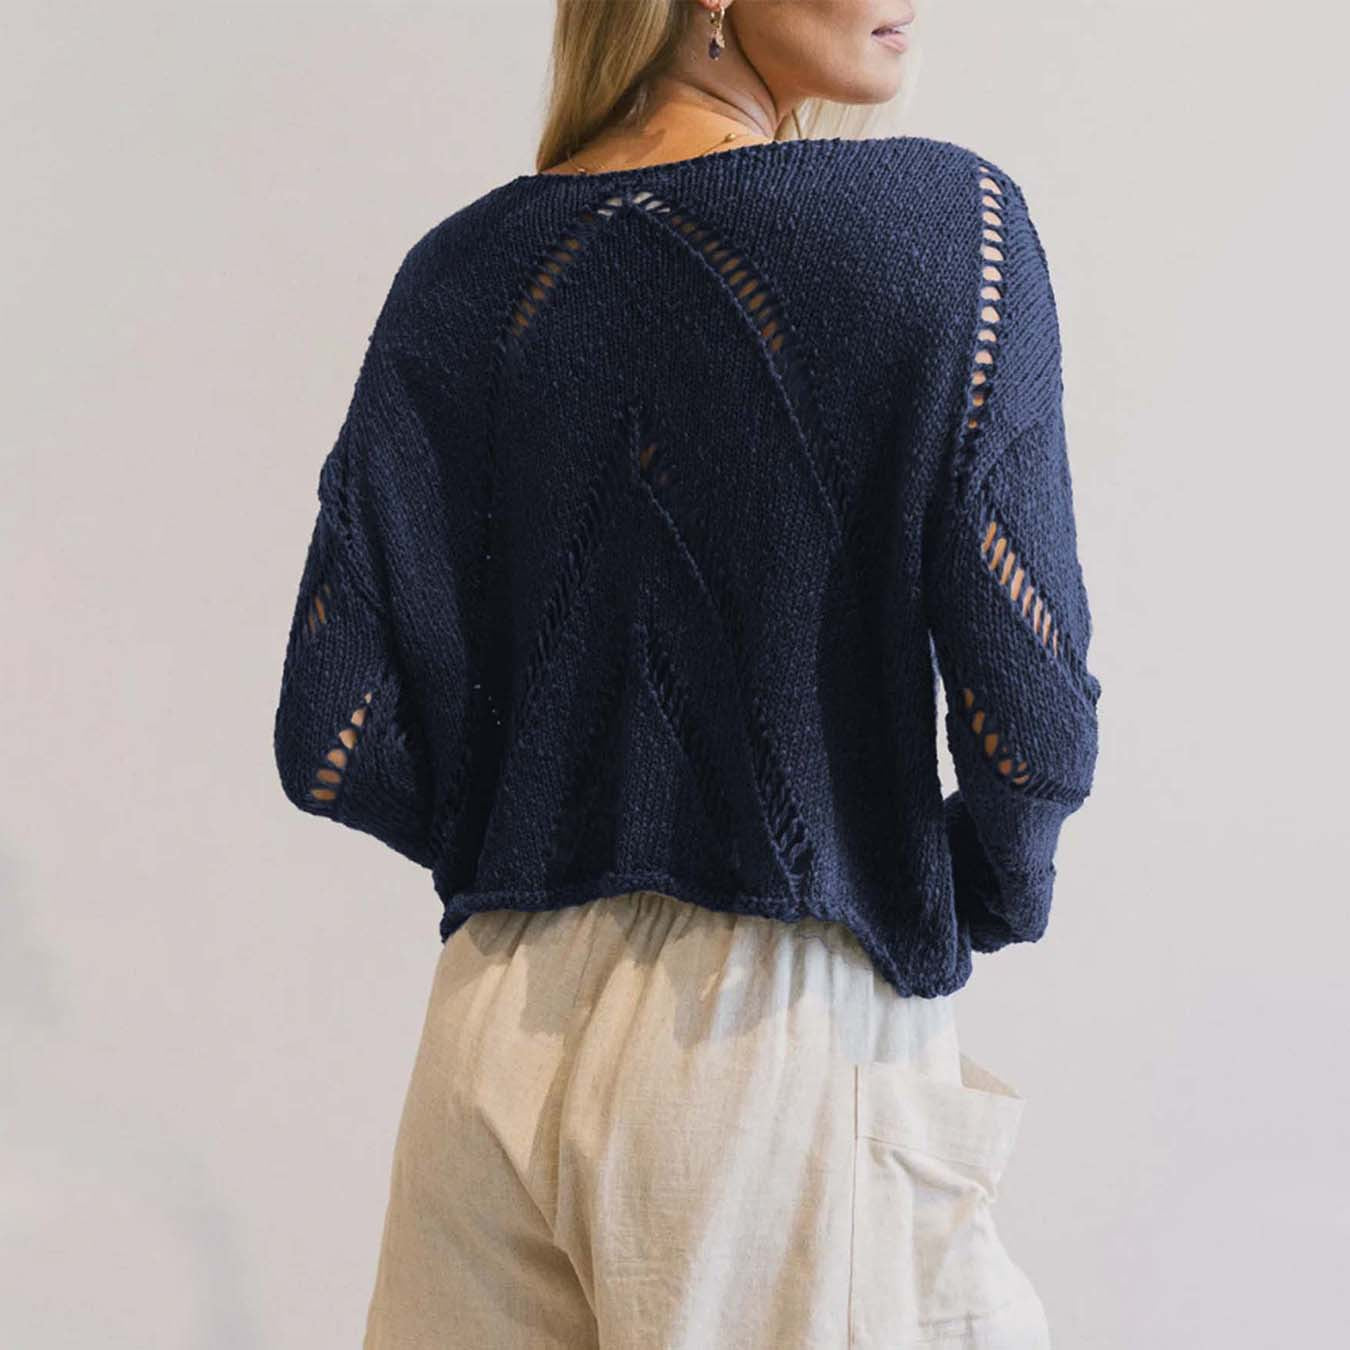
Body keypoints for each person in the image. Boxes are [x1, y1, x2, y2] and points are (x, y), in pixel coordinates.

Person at [271, 2, 1102, 1345]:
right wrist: (971, 889)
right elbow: (1035, 723)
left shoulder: (457, 273)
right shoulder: (946, 229)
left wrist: (544, 829)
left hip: (490, 1026)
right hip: (768, 1034)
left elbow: (335, 732)